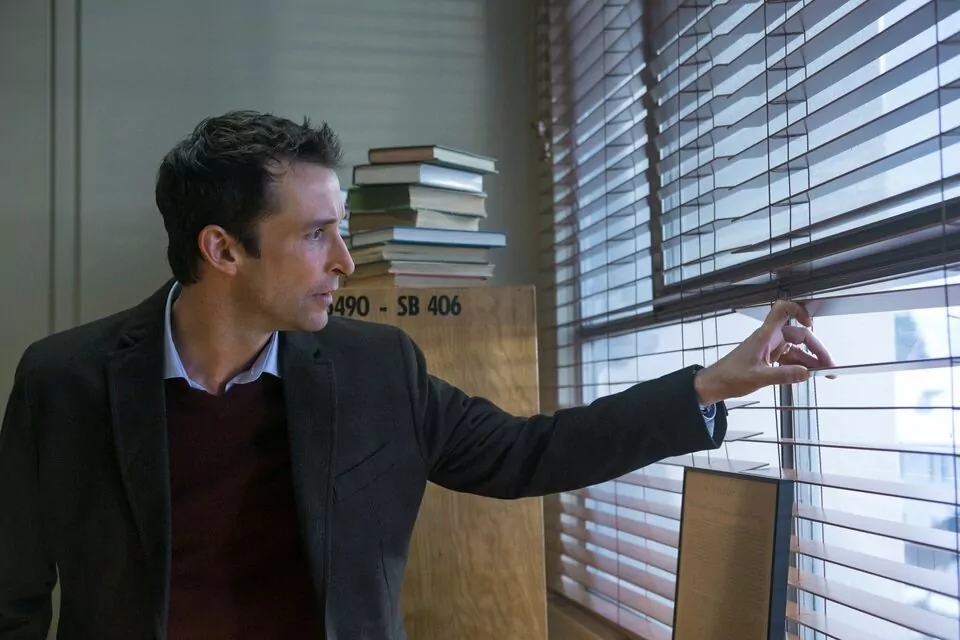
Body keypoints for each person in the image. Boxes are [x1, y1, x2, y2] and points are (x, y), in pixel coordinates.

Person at [0, 110, 835, 640]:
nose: (345, 260)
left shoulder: (376, 368)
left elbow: (526, 453)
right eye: (316, 235)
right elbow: (14, 589)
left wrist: (709, 385)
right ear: (222, 249)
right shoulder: (63, 382)